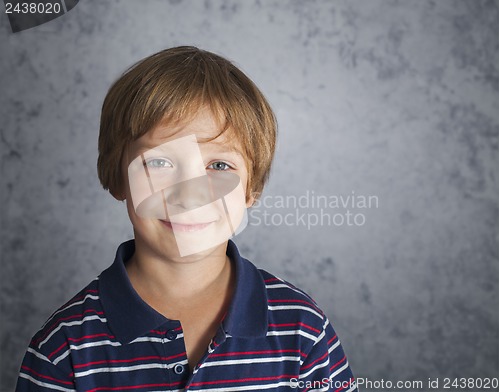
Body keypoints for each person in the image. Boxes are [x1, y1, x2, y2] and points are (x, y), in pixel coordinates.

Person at [16, 46, 357, 391]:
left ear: (251, 189)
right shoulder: (62, 347)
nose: (189, 194)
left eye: (219, 166)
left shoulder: (303, 329)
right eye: (160, 163)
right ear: (118, 178)